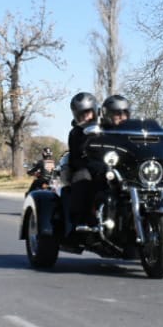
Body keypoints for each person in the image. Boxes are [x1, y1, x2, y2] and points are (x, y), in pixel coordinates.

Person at [66, 92, 99, 232]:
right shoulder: (75, 133)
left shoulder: (106, 128)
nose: (85, 117)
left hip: (108, 165)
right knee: (82, 177)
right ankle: (82, 220)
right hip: (86, 167)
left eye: (88, 112)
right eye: (81, 114)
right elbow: (75, 158)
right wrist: (89, 165)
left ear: (95, 111)